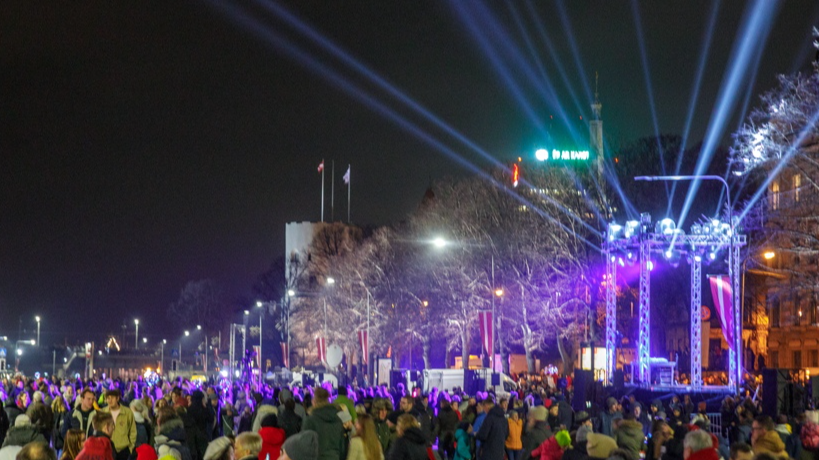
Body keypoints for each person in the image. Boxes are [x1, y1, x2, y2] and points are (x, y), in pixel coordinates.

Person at [301, 388, 344, 460]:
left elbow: (304, 444)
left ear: (314, 401)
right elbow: (342, 445)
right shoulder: (338, 418)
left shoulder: (311, 420)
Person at [101, 389, 136, 460]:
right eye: (108, 398)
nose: (110, 401)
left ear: (117, 398)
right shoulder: (103, 412)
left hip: (123, 450)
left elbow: (133, 431)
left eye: (112, 398)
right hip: (107, 449)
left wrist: (130, 448)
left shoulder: (127, 412)